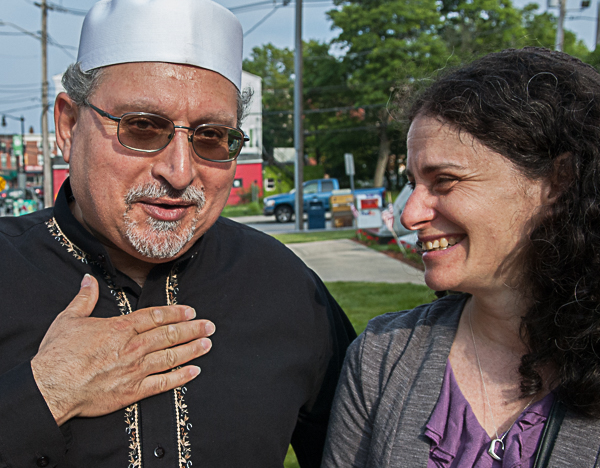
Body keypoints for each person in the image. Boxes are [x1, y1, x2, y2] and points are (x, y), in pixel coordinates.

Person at [0, 1, 356, 467]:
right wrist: (46, 391)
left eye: (211, 137)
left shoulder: (284, 286)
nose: (181, 171)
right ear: (68, 124)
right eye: (143, 127)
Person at [322, 47, 600, 467]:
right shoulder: (384, 357)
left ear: (557, 182)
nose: (410, 214)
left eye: (445, 180)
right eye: (414, 182)